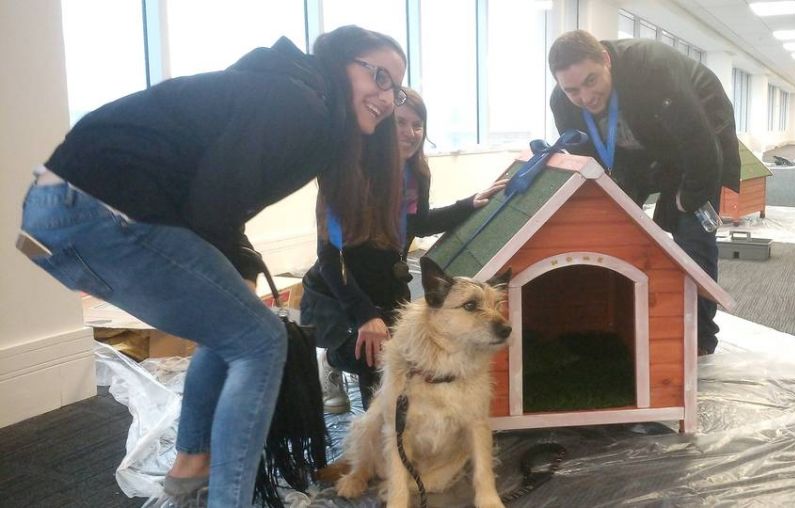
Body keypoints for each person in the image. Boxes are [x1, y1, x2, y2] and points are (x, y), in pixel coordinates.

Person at [18, 26, 407, 507]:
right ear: (340, 61)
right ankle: (223, 495)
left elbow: (216, 195)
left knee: (232, 327)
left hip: (51, 221)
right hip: (97, 208)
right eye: (380, 77)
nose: (389, 98)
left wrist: (238, 265)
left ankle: (189, 474)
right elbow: (213, 204)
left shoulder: (291, 96)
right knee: (261, 340)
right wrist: (237, 264)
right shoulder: (301, 107)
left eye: (398, 87)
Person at [301, 86, 506, 412]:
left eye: (418, 125)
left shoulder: (415, 174)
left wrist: (470, 204)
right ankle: (331, 362)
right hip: (339, 294)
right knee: (374, 356)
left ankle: (388, 416)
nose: (411, 133)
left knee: (405, 358)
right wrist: (365, 315)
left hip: (385, 286)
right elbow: (330, 258)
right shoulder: (347, 176)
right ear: (381, 126)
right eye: (401, 123)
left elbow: (419, 224)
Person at [548, 30, 740, 355]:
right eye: (573, 90)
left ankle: (701, 339)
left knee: (692, 234)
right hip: (635, 153)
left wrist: (685, 200)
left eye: (591, 81)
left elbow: (702, 147)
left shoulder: (653, 68)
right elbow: (589, 158)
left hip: (698, 142)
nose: (586, 96)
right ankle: (620, 316)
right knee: (614, 230)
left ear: (606, 60)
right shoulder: (562, 103)